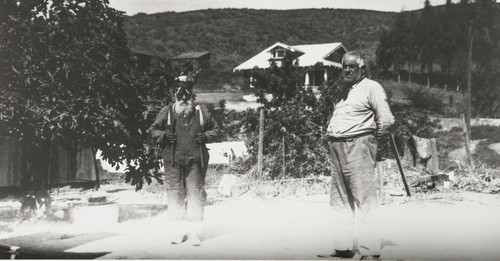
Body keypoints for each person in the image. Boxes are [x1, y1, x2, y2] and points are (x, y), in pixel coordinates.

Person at [319, 51, 395, 260]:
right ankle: (342, 248)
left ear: (362, 69)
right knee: (339, 200)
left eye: (352, 66)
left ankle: (370, 252)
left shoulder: (372, 87)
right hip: (337, 148)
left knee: (365, 199)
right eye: (344, 66)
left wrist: (373, 144)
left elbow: (386, 120)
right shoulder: (344, 91)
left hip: (358, 146)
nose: (347, 70)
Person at [149, 77, 219, 246]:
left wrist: (206, 136)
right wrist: (164, 135)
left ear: (192, 95)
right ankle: (178, 232)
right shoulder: (167, 111)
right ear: (175, 95)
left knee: (195, 195)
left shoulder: (201, 111)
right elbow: (152, 130)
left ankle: (194, 233)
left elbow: (216, 130)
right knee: (175, 195)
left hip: (195, 161)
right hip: (173, 161)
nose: (184, 98)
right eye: (180, 94)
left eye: (187, 94)